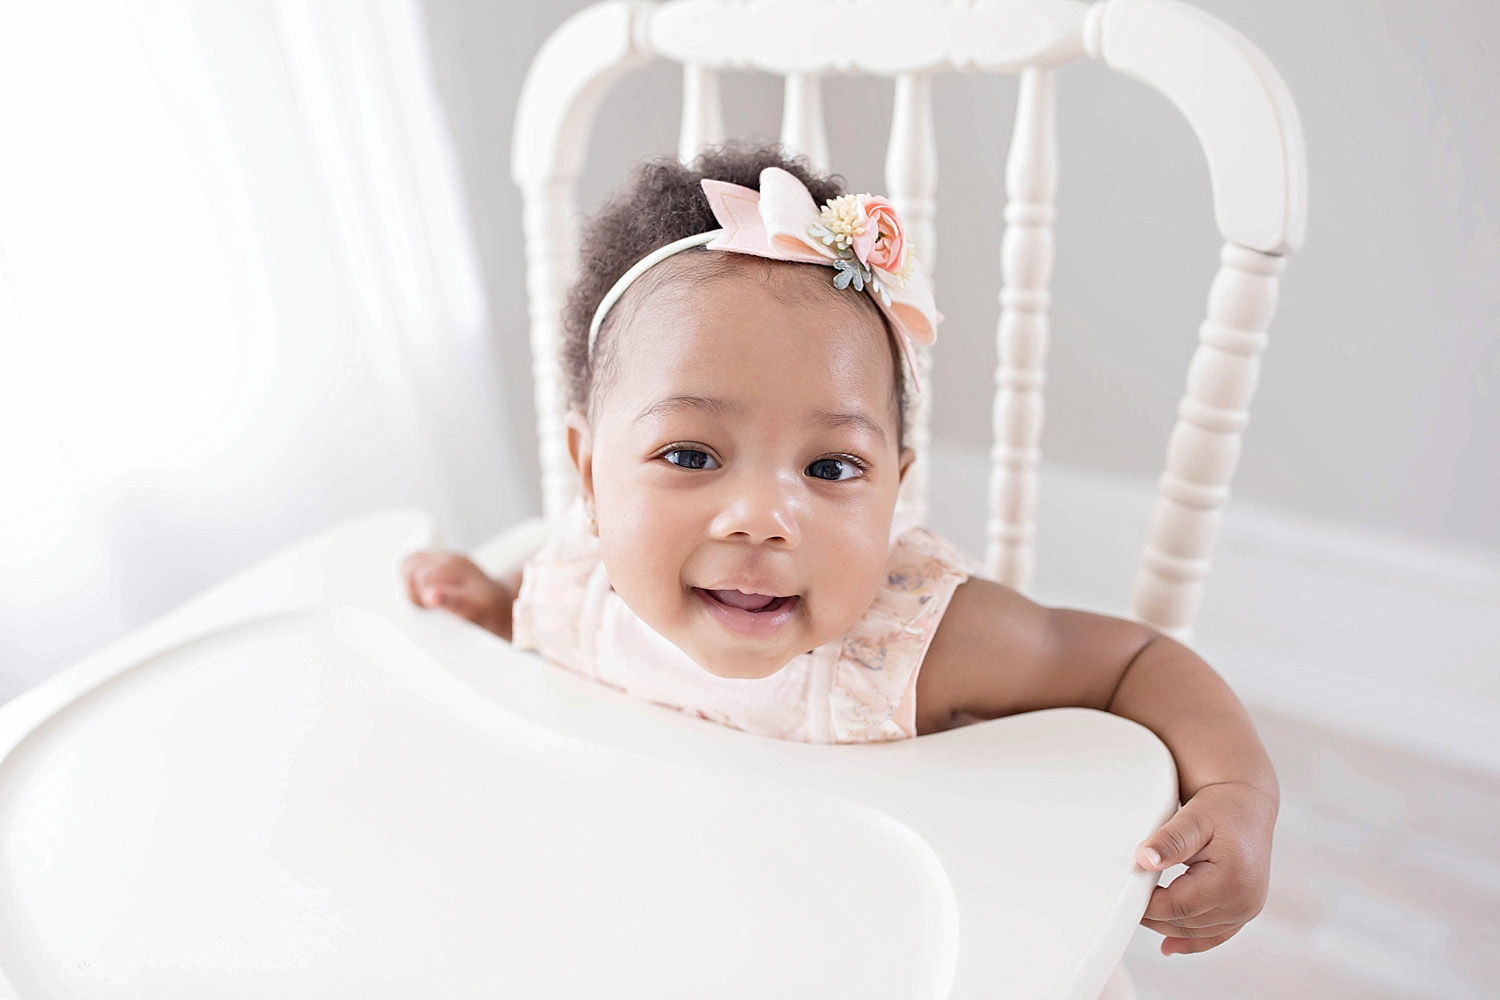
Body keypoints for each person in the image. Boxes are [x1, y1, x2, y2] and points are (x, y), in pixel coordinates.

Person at [401, 144, 1278, 957]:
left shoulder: (906, 645)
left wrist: (1237, 792)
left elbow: (1135, 661)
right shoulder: (575, 589)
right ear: (591, 478)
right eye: (690, 455)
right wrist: (487, 601)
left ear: (893, 490)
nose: (760, 518)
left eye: (829, 466)